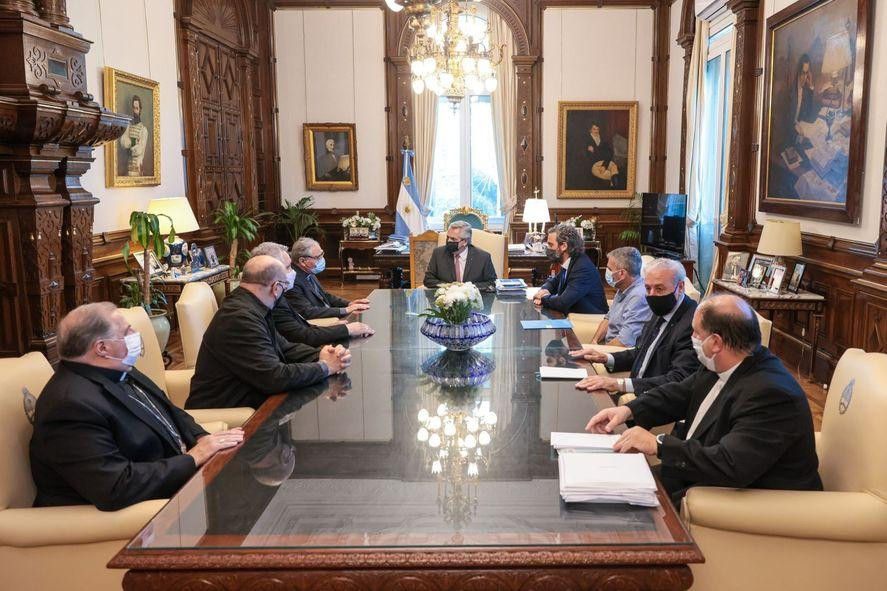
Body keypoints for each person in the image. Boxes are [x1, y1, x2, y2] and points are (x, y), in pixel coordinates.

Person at [585, 294, 822, 505]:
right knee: (600, 486)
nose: (692, 338)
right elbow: (679, 393)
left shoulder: (772, 394)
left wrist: (658, 445)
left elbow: (731, 464)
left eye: (696, 332)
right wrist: (628, 411)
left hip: (739, 500)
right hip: (696, 475)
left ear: (716, 342)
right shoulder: (722, 363)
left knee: (615, 506)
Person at [29, 303, 244, 511]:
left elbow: (170, 411)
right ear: (102, 348)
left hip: (175, 480)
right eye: (127, 331)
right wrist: (193, 458)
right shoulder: (69, 406)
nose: (135, 334)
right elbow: (116, 485)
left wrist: (201, 438)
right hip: (136, 515)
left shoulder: (118, 369)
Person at [186, 255, 352, 410]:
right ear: (277, 287)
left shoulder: (251, 306)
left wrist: (323, 354)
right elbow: (274, 378)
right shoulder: (239, 317)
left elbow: (285, 348)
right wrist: (323, 367)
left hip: (252, 399)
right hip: (229, 412)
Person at [572, 258, 699, 396]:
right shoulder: (661, 310)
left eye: (659, 288)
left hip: (654, 400)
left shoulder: (693, 324)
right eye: (647, 288)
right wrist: (606, 358)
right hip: (634, 392)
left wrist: (618, 384)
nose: (652, 295)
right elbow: (642, 352)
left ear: (680, 287)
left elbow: (678, 379)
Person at [250, 242, 374, 344]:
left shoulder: (278, 296)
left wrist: (348, 305)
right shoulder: (286, 289)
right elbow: (303, 327)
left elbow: (323, 298)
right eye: (288, 267)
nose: (292, 271)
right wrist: (344, 327)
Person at [287, 237, 371, 320]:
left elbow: (324, 295)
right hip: (319, 322)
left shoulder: (308, 271)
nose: (322, 259)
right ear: (302, 261)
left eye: (322, 254)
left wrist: (349, 303)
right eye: (318, 257)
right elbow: (308, 312)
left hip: (329, 315)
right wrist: (345, 310)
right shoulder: (293, 281)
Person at [533, 223, 607, 314]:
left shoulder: (582, 268)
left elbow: (562, 302)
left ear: (564, 246)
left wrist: (543, 298)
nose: (548, 249)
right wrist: (543, 290)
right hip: (574, 315)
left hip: (591, 320)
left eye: (550, 245)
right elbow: (553, 282)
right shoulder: (572, 261)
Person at [590, 247, 651, 347]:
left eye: (610, 269)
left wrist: (598, 352)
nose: (607, 272)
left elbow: (625, 341)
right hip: (607, 349)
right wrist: (594, 342)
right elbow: (608, 318)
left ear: (621, 273)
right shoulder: (622, 287)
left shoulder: (638, 297)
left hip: (619, 354)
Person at [424, 220, 498, 291]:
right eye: (448, 237)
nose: (449, 241)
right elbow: (428, 280)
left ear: (465, 241)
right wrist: (449, 287)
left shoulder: (483, 257)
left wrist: (467, 288)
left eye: (453, 239)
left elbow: (492, 283)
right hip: (446, 299)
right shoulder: (438, 253)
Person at [118, 94, 149, 177]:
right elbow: (123, 142)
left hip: (137, 171)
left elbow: (139, 150)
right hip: (128, 170)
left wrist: (129, 149)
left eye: (137, 108)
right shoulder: (128, 126)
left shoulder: (144, 130)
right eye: (134, 108)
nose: (135, 111)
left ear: (140, 110)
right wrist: (134, 141)